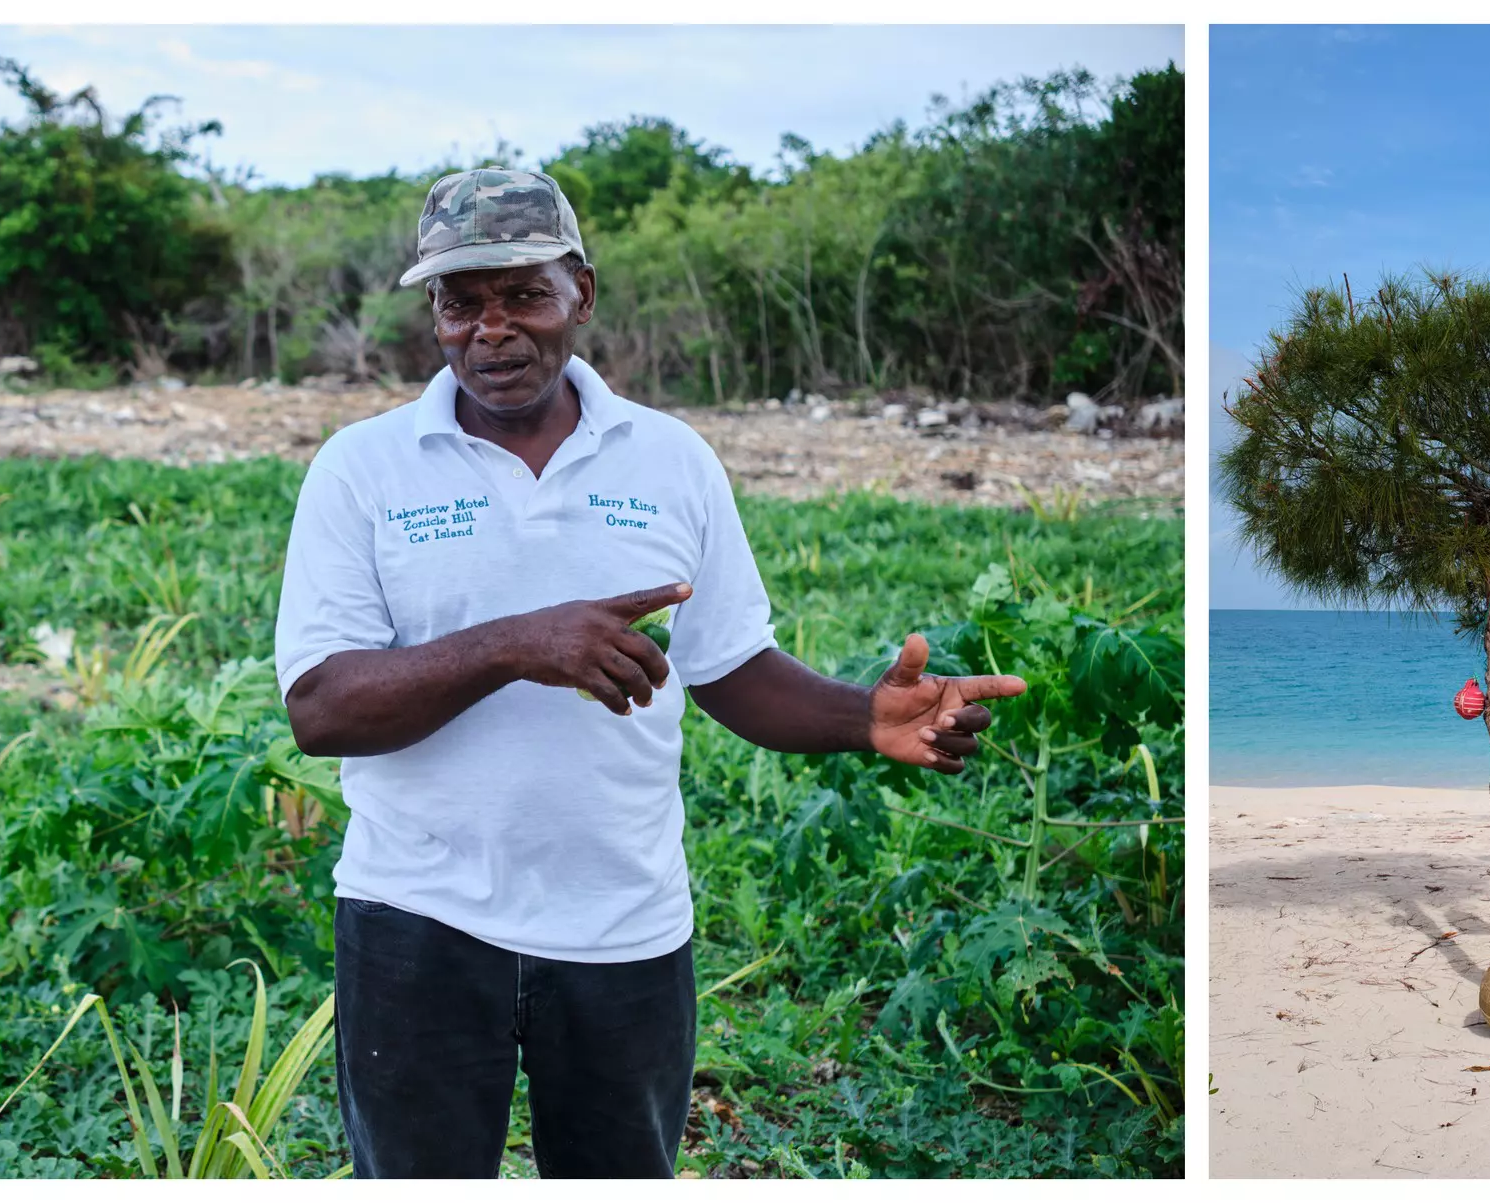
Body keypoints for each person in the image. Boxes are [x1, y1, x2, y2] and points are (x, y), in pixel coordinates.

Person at [274, 168, 1026, 1179]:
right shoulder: (362, 468)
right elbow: (322, 708)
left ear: (581, 293)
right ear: (434, 314)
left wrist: (865, 718)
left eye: (524, 295)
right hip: (416, 921)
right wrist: (515, 644)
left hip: (623, 922)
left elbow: (730, 668)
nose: (492, 330)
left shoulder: (670, 461)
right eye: (461, 302)